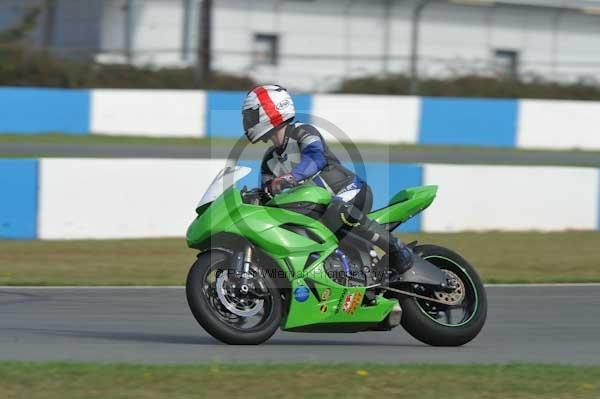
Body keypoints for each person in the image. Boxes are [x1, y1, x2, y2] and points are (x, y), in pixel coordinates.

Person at [242, 84, 416, 276]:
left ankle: (397, 248)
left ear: (271, 109)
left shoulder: (303, 131)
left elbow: (315, 157)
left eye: (252, 116)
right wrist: (255, 199)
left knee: (337, 208)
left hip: (348, 191)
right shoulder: (269, 161)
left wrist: (290, 178)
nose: (248, 122)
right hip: (316, 209)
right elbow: (269, 197)